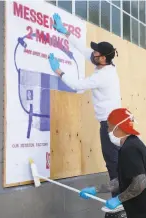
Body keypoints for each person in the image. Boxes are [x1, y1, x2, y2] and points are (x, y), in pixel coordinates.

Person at [48, 13, 121, 197]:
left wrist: (58, 70)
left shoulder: (102, 76)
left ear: (103, 58)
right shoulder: (105, 65)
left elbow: (77, 85)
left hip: (110, 124)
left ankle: (119, 199)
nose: (93, 54)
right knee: (116, 161)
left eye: (97, 53)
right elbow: (83, 50)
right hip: (114, 122)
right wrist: (65, 31)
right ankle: (120, 196)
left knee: (112, 161)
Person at [79, 108, 146, 218]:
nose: (108, 131)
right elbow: (124, 181)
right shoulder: (132, 144)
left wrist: (118, 199)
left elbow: (140, 183)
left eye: (109, 127)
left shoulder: (130, 149)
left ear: (118, 127)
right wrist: (96, 190)